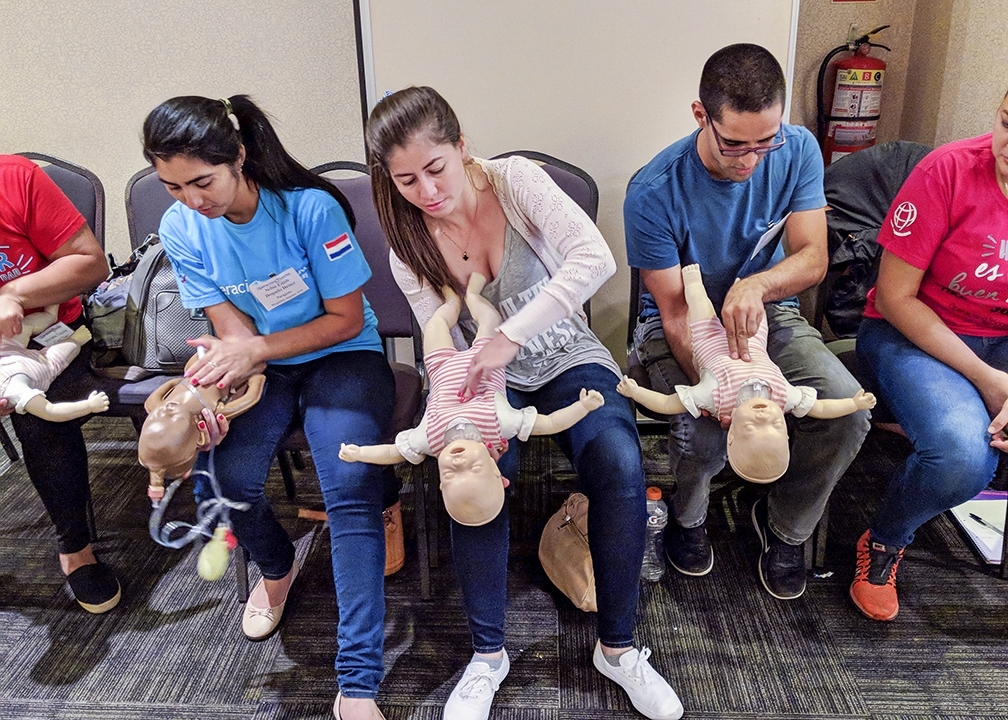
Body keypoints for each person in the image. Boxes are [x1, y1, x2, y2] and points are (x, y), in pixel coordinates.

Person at [366, 86, 684, 720]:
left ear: (461, 147)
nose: (427, 192)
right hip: (481, 374)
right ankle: (488, 655)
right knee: (472, 478)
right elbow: (439, 328)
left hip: (565, 351)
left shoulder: (514, 182)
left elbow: (595, 258)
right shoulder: (406, 231)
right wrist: (458, 398)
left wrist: (510, 335)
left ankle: (618, 649)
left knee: (619, 465)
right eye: (406, 180)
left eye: (436, 170)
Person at [143, 95, 395, 720]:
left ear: (239, 157)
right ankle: (278, 568)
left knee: (349, 484)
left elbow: (343, 320)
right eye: (172, 186)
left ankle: (358, 684)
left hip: (343, 353)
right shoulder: (181, 227)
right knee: (220, 477)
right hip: (262, 366)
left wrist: (253, 346)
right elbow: (231, 330)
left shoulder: (308, 210)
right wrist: (219, 375)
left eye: (202, 181)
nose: (191, 201)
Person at [624, 43, 870, 599]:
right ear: (700, 116)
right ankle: (688, 520)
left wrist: (758, 285)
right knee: (708, 430)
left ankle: (785, 527)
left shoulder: (800, 148)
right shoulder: (653, 191)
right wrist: (726, 386)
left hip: (769, 317)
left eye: (766, 142)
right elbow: (675, 311)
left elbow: (812, 256)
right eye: (735, 144)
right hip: (677, 326)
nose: (751, 161)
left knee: (845, 413)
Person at [849, 90, 1008, 621]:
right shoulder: (950, 171)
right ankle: (887, 539)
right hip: (916, 331)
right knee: (963, 456)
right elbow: (895, 297)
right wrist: (989, 380)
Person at [339, 272, 605, 526]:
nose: (458, 463)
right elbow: (549, 424)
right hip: (485, 358)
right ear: (495, 470)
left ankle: (451, 300)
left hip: (441, 366)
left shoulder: (429, 440)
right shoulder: (499, 425)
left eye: (450, 474)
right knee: (489, 321)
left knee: (436, 324)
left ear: (441, 483)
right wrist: (582, 407)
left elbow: (394, 452)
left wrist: (360, 453)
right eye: (473, 468)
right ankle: (473, 295)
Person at [617, 264, 876, 483]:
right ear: (786, 431)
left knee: (699, 304)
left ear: (731, 434)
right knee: (752, 310)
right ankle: (745, 278)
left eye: (752, 426)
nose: (764, 415)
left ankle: (694, 281)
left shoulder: (715, 398)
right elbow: (820, 408)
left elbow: (666, 403)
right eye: (775, 424)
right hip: (751, 339)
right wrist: (852, 403)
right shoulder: (784, 398)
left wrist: (636, 392)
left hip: (707, 340)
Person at [0, 154, 116, 613]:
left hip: (54, 331)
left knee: (40, 418)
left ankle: (77, 551)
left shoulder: (15, 179)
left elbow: (91, 266)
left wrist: (13, 295)